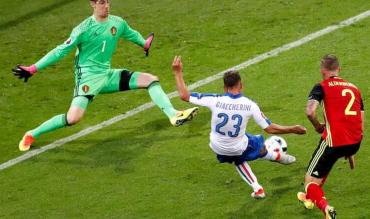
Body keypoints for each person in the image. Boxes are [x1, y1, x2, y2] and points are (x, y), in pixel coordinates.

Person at [12, 0, 198, 152]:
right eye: (101, 2)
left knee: (150, 79)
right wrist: (33, 68)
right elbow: (60, 51)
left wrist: (144, 44)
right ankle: (32, 134)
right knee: (73, 118)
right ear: (92, 4)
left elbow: (132, 35)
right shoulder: (83, 29)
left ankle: (173, 115)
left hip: (107, 75)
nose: (106, 6)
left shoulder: (117, 22)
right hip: (88, 80)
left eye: (108, 1)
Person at [171, 56, 307, 199]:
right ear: (241, 85)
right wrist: (293, 129)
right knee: (257, 146)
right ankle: (278, 157)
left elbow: (184, 96)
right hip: (237, 146)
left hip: (216, 146)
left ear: (224, 88)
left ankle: (258, 189)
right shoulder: (250, 104)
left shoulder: (215, 99)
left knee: (239, 154)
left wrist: (177, 73)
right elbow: (270, 128)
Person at [297, 55, 364, 219]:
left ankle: (326, 208)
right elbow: (360, 122)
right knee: (325, 164)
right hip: (354, 141)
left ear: (322, 71)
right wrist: (352, 150)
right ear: (339, 69)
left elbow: (310, 111)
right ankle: (309, 198)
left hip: (334, 143)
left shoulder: (321, 87)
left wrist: (317, 125)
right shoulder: (355, 89)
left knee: (310, 182)